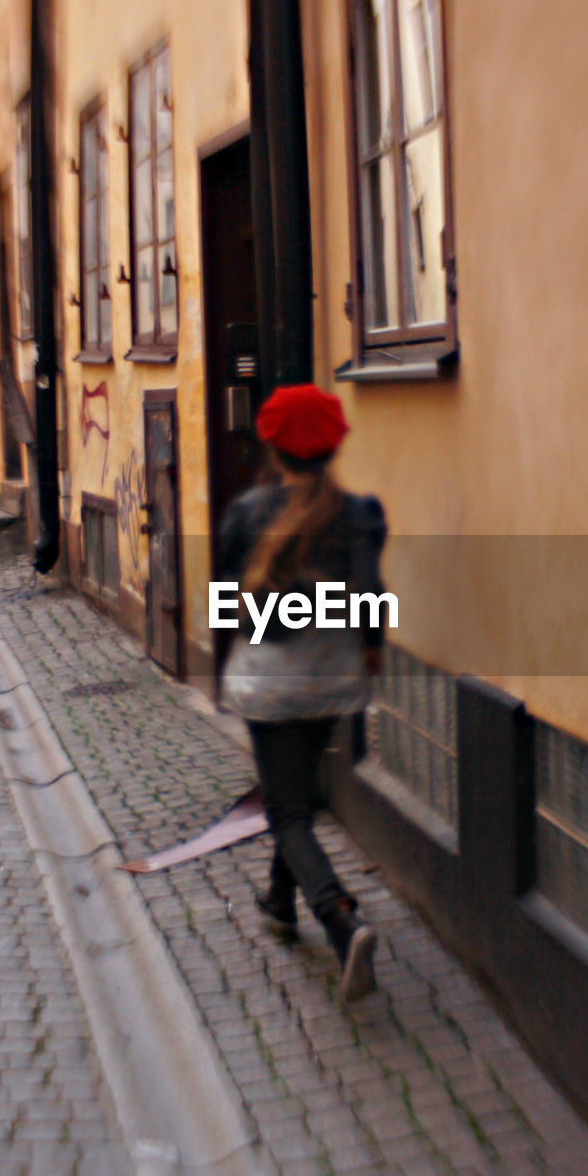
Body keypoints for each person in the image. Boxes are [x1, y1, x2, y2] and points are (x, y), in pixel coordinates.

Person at [218, 382, 387, 1000]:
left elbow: (230, 604)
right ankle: (280, 899)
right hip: (332, 682)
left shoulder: (248, 514)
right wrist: (369, 652)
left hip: (270, 685)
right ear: (332, 445)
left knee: (287, 811)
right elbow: (369, 602)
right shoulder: (361, 514)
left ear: (273, 445)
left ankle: (342, 920)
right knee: (297, 793)